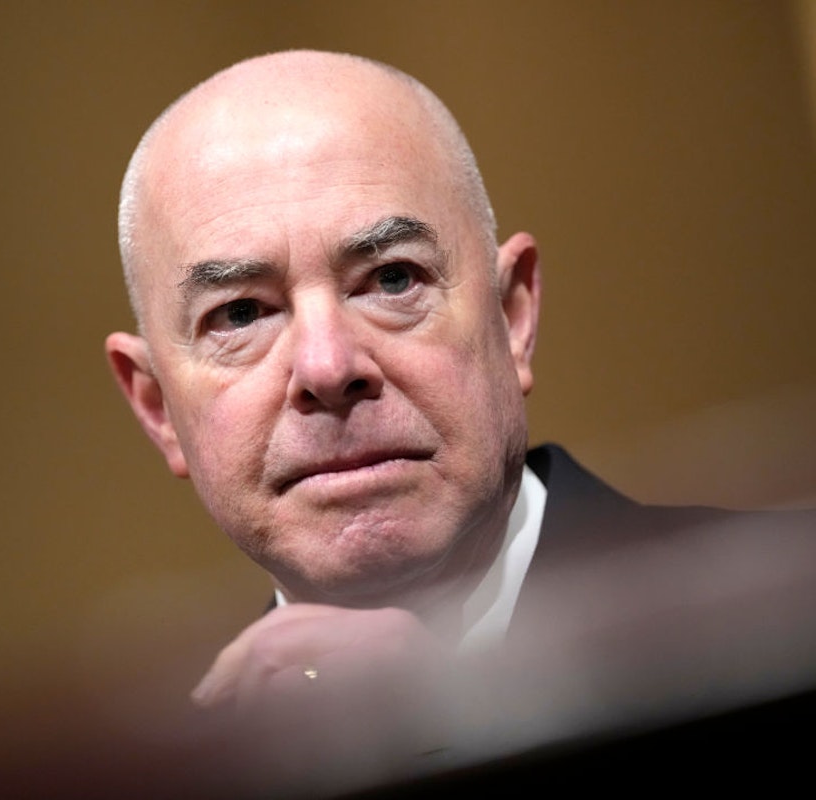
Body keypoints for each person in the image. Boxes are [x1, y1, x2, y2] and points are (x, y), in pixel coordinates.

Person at [104, 50, 815, 797]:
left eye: (392, 279)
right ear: (157, 409)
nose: (327, 366)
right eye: (240, 314)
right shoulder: (156, 774)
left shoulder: (787, 616)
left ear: (513, 317)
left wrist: (469, 719)